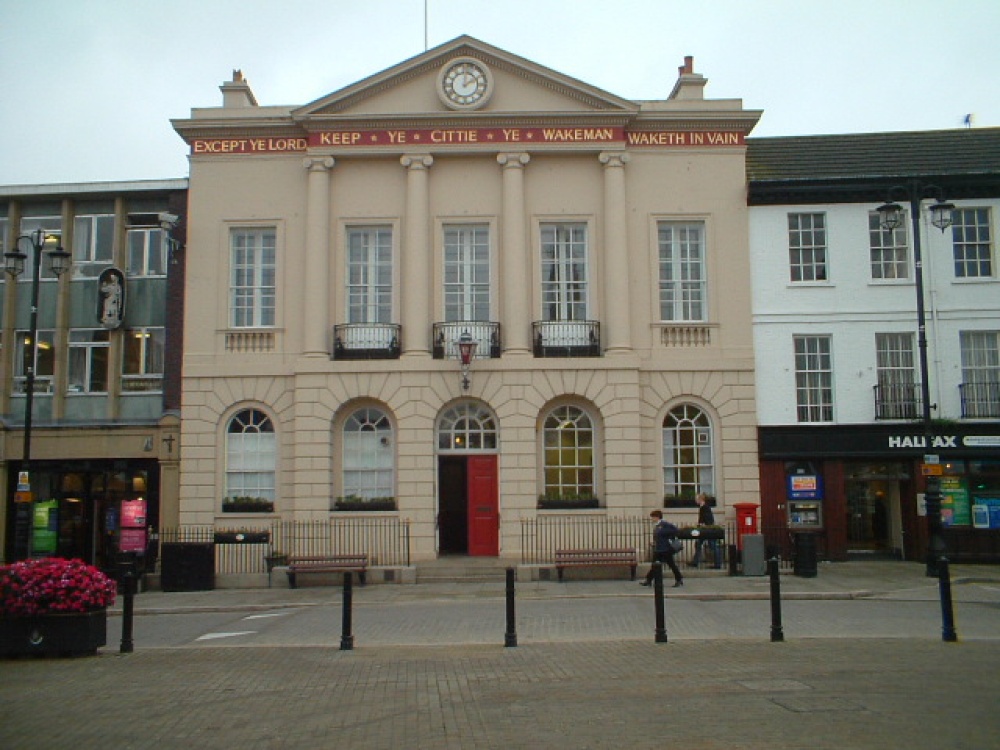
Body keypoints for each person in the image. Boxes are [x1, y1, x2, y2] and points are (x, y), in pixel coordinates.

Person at [641, 509, 683, 587]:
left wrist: (668, 536)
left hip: (665, 549)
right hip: (658, 549)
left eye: (653, 517)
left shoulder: (665, 524)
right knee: (654, 565)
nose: (652, 519)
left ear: (657, 517)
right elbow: (658, 536)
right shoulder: (657, 526)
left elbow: (675, 530)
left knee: (671, 565)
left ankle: (679, 579)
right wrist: (655, 542)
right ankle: (648, 580)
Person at [690, 493, 722, 569]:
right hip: (705, 529)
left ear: (701, 499)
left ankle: (717, 564)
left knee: (713, 546)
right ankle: (695, 562)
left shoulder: (705, 507)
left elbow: (708, 519)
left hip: (707, 530)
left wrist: (702, 525)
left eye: (696, 499)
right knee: (698, 544)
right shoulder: (703, 507)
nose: (695, 500)